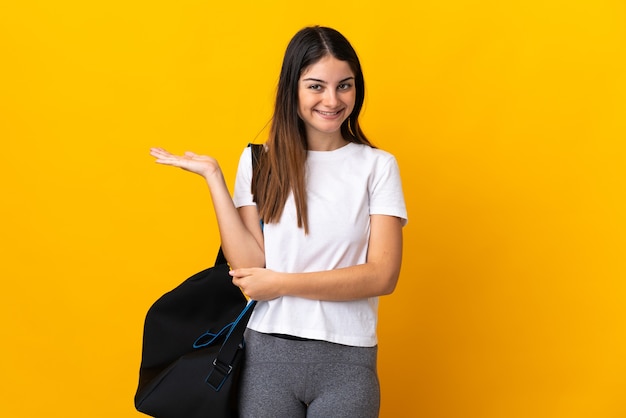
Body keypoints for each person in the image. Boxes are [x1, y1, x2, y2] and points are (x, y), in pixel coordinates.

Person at [150, 25, 407, 418]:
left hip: (348, 359)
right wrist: (215, 179)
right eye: (316, 86)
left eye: (345, 86)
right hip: (267, 357)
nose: (332, 100)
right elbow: (249, 267)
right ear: (294, 89)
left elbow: (382, 276)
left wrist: (283, 283)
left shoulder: (377, 167)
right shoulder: (258, 162)